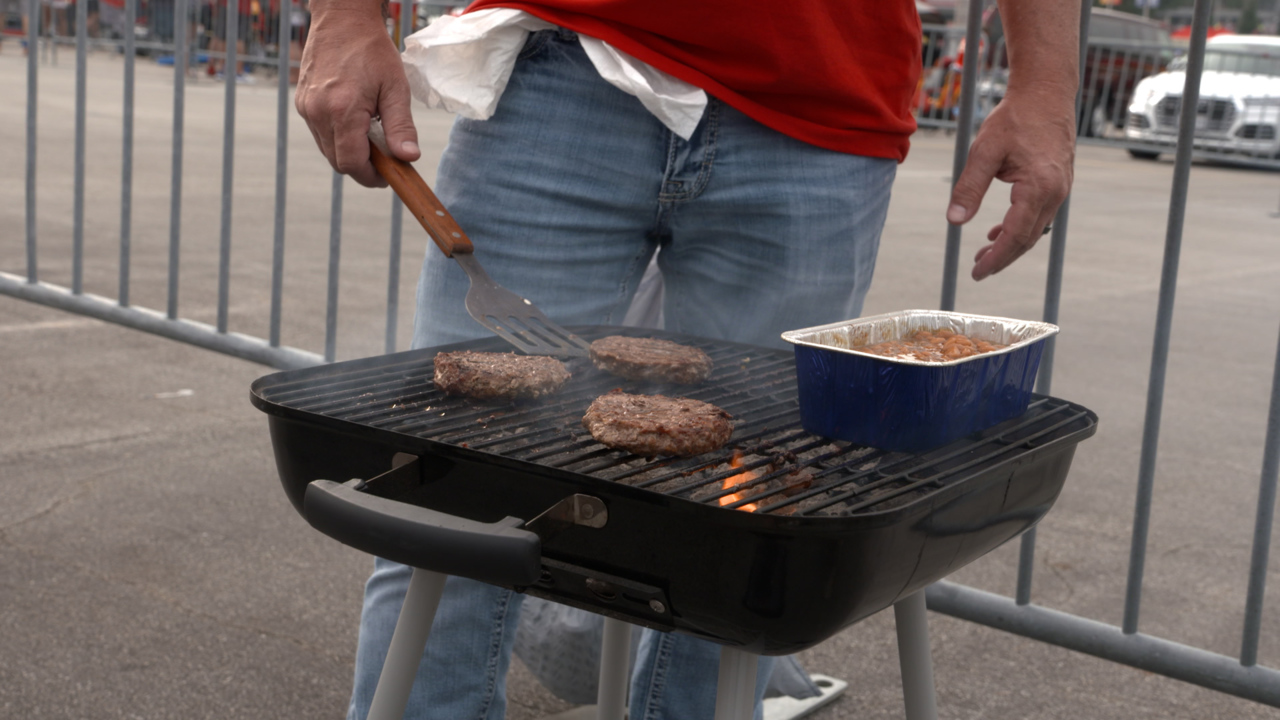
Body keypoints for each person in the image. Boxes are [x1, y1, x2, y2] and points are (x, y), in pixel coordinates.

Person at [294, 0, 1081, 718]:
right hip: (563, 60)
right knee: (444, 488)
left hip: (825, 106)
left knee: (747, 521)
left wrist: (1045, 90)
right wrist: (346, 17)